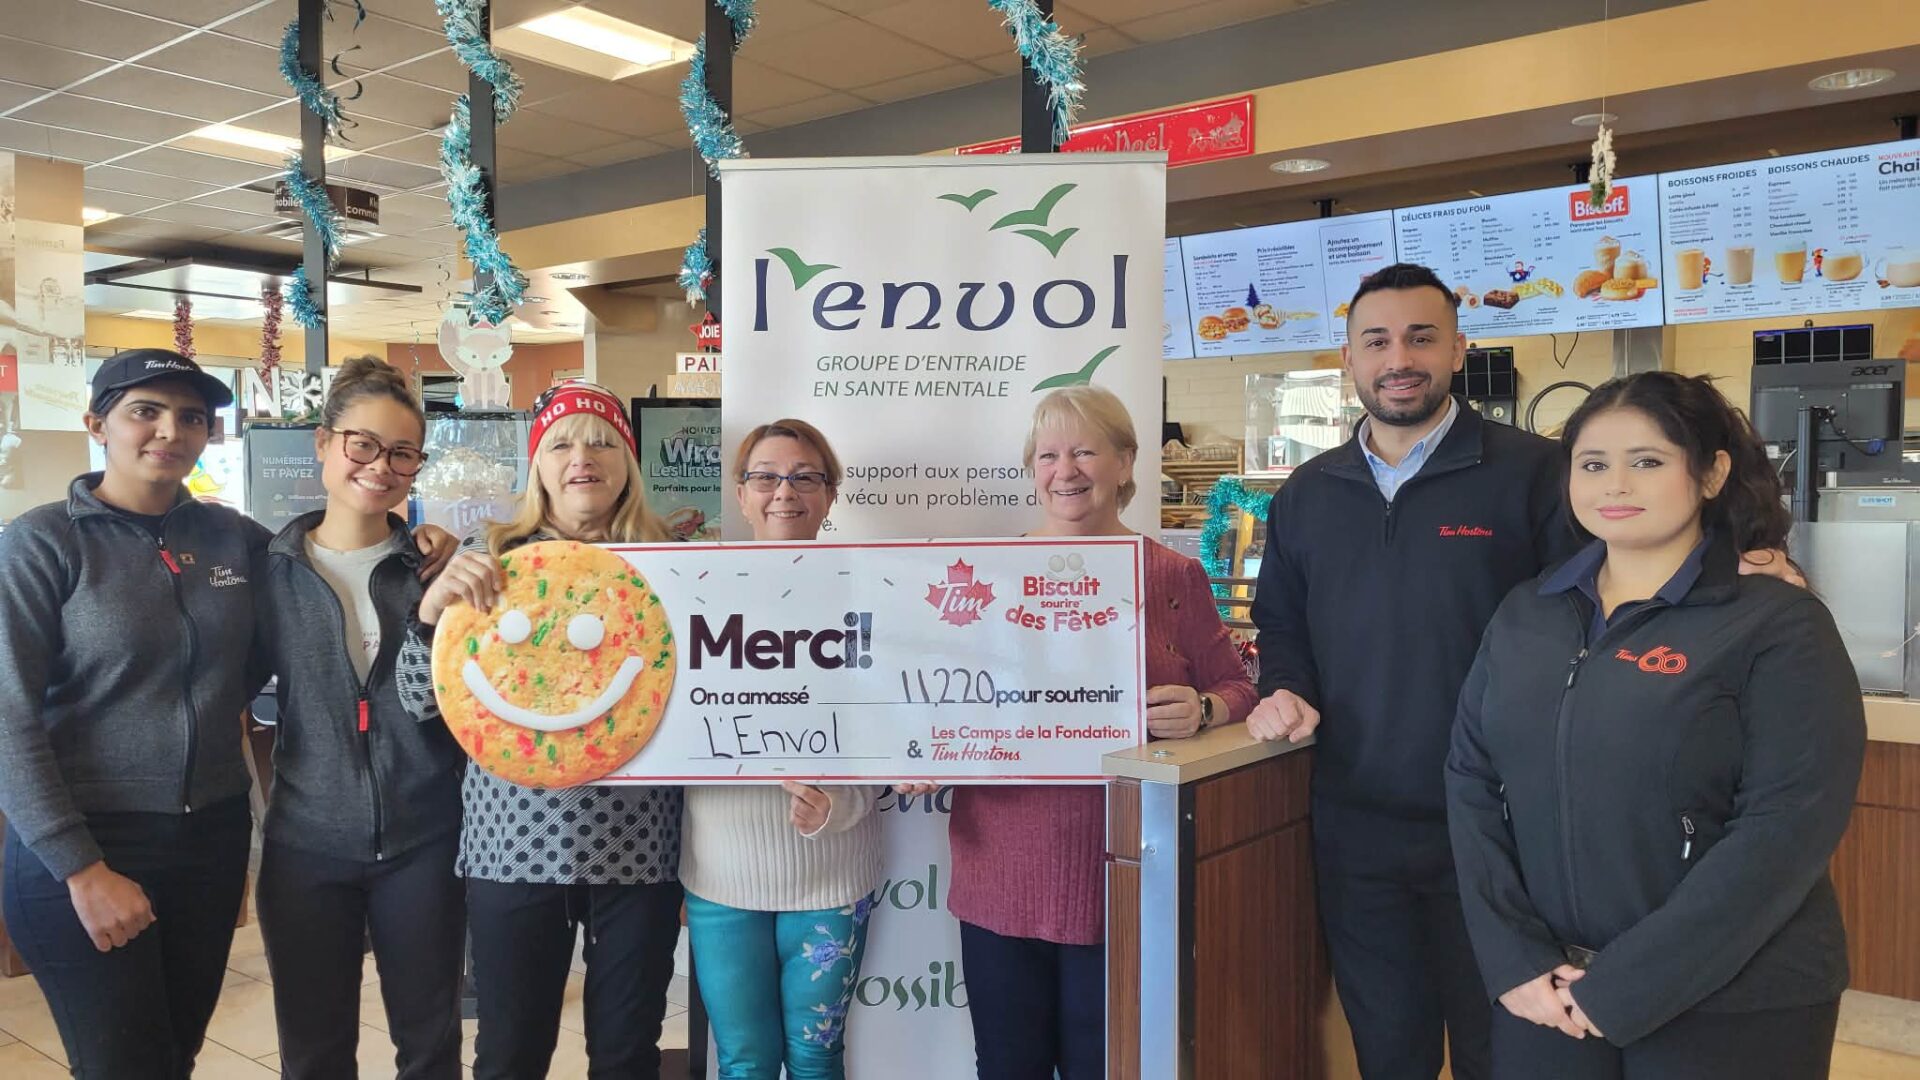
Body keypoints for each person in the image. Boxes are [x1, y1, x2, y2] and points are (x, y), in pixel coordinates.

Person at [1245, 264, 1800, 1080]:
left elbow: (1624, 590)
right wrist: (1282, 685)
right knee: (1385, 1042)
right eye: (1377, 340)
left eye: (1422, 337)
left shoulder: (1536, 471)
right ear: (1349, 358)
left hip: (1510, 825)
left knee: (1502, 1044)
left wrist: (1736, 565)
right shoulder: (1306, 492)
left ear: (1460, 347)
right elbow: (1281, 622)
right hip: (1356, 820)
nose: (1399, 357)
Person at [0, 348, 450, 1078]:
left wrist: (428, 540)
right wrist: (81, 868)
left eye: (190, 417)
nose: (168, 431)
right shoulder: (44, 543)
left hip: (208, 840)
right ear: (97, 423)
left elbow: (242, 668)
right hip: (91, 844)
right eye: (144, 410)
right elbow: (7, 718)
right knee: (123, 1063)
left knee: (173, 1054)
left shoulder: (233, 542)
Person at [1446, 371, 1863, 1079]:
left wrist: (1624, 988)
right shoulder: (1527, 613)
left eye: (1647, 461)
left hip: (1732, 1004)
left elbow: (1787, 826)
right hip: (1547, 997)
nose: (1616, 485)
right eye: (1593, 464)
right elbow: (1472, 780)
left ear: (1711, 473)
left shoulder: (1774, 622)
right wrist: (1513, 959)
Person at [945, 385, 1258, 1079]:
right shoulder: (987, 576)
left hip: (1124, 871)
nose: (1067, 470)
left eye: (1086, 450)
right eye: (1049, 454)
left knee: (1106, 1064)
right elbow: (945, 704)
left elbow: (1239, 685)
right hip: (1002, 867)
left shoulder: (1174, 575)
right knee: (1007, 1064)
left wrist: (1203, 709)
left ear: (1124, 461)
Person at [400, 380, 684, 1080]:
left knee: (625, 1055)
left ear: (627, 460)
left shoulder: (669, 568)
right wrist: (432, 610)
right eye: (560, 442)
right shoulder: (489, 557)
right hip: (514, 849)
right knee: (509, 1053)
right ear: (538, 466)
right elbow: (418, 698)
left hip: (640, 850)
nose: (580, 456)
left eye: (601, 440)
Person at [255, 357, 467, 1079]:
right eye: (363, 444)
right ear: (323, 443)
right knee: (314, 1052)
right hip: (306, 844)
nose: (382, 466)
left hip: (426, 840)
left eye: (403, 451)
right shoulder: (268, 571)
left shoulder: (438, 569)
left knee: (431, 1045)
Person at [680, 419, 881, 1080]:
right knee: (743, 1061)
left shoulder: (872, 592)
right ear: (740, 494)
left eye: (805, 477)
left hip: (831, 872)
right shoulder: (692, 589)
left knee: (818, 1056)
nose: (784, 492)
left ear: (829, 495)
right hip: (721, 874)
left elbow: (892, 726)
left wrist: (839, 805)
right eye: (765, 476)